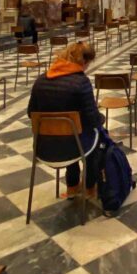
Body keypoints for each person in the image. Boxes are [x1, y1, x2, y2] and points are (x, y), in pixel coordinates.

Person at [27, 42, 104, 196]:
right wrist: (101, 118)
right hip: (74, 149)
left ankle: (72, 187)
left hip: (43, 148)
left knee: (70, 134)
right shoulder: (81, 82)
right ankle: (89, 187)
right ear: (85, 61)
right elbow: (93, 120)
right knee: (94, 139)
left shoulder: (41, 81)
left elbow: (31, 113)